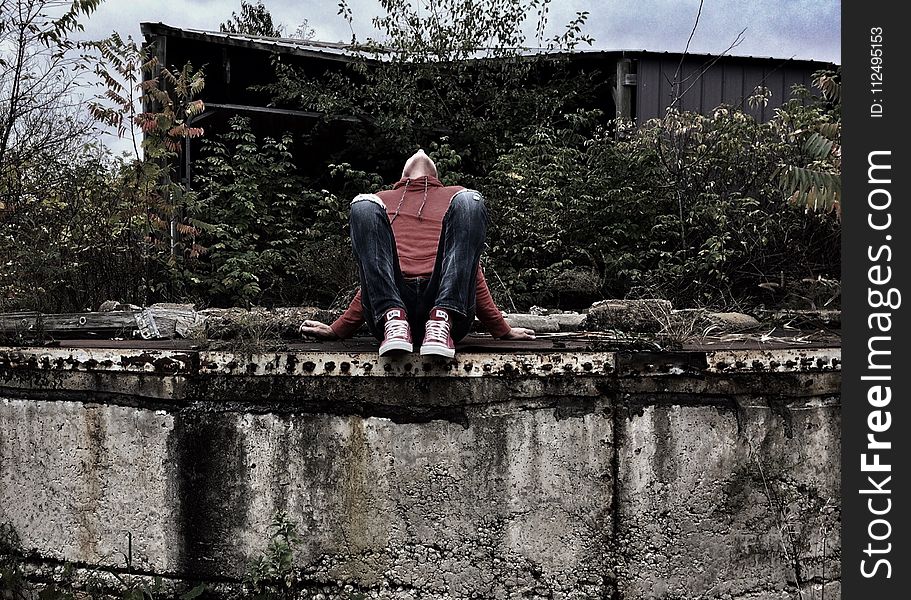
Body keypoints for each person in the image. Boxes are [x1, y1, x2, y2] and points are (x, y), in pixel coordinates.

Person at [300, 149, 534, 357]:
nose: (421, 152)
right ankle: (395, 320)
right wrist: (338, 329)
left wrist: (502, 330)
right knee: (362, 205)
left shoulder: (455, 199)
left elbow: (468, 270)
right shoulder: (381, 202)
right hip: (390, 311)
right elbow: (376, 273)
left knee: (470, 199)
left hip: (448, 311)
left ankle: (441, 319)